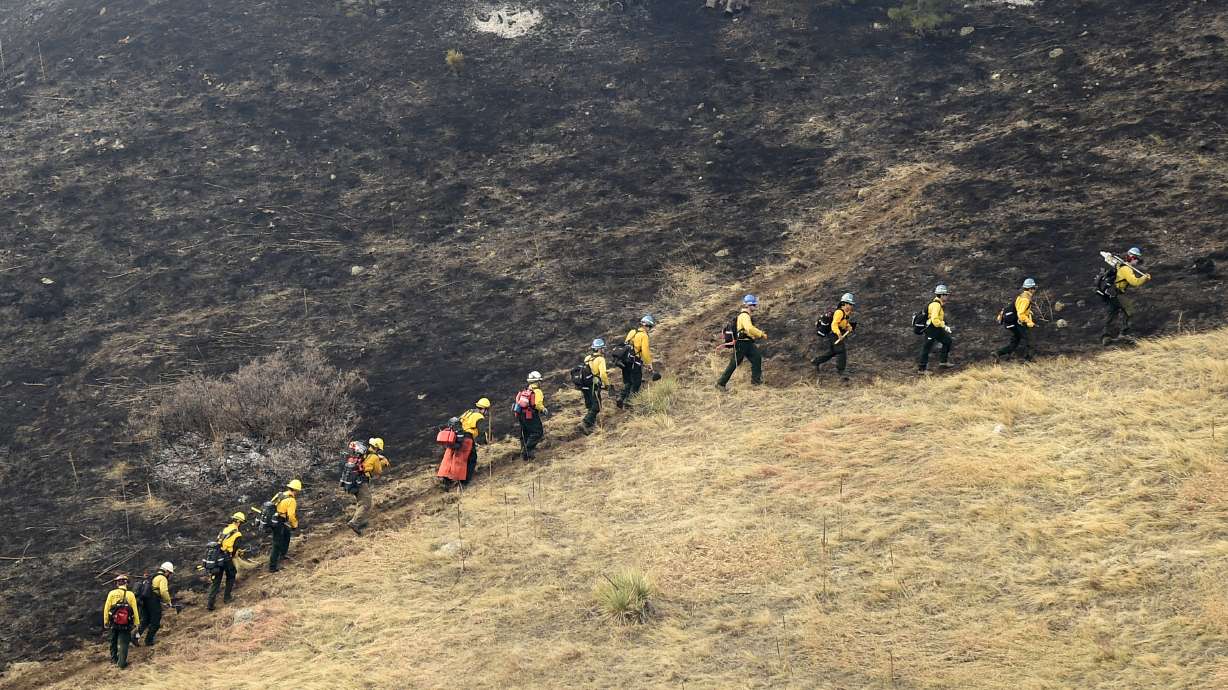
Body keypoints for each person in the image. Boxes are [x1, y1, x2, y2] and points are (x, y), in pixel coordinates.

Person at [1101, 247, 1152, 345]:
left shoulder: (1121, 265)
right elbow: (1135, 282)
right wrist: (1144, 278)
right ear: (1132, 258)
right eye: (1137, 259)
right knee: (1129, 309)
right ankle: (1123, 333)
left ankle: (1106, 336)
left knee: (1112, 313)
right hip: (1116, 294)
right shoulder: (1126, 269)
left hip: (1110, 293)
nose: (1137, 262)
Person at [716, 294, 767, 389]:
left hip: (748, 343)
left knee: (757, 358)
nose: (756, 306)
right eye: (754, 305)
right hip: (742, 343)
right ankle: (720, 383)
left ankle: (756, 381)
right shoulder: (744, 316)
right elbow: (749, 328)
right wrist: (761, 334)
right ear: (749, 305)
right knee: (734, 363)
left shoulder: (746, 316)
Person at [349, 437, 391, 535]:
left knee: (362, 502)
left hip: (352, 480)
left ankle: (360, 521)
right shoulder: (375, 457)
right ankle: (354, 522)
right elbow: (378, 471)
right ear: (378, 448)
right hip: (361, 481)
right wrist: (383, 463)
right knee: (366, 503)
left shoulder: (364, 452)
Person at [811, 293, 856, 382]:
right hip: (834, 335)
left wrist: (849, 327)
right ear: (844, 303)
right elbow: (834, 324)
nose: (851, 306)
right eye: (849, 304)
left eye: (851, 304)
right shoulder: (839, 312)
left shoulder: (845, 314)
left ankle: (816, 361)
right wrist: (839, 334)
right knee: (841, 351)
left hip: (834, 335)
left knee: (832, 352)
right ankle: (841, 373)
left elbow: (843, 324)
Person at [208, 512, 245, 611]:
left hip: (218, 557)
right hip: (227, 558)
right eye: (241, 522)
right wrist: (235, 555)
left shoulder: (225, 529)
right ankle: (227, 598)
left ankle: (210, 604)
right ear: (238, 521)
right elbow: (235, 548)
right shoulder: (237, 533)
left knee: (216, 581)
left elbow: (220, 542)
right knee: (231, 576)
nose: (240, 524)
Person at [102, 574, 140, 669]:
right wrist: (136, 623)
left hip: (114, 622)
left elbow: (106, 608)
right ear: (126, 583)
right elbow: (135, 610)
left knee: (113, 640)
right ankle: (121, 663)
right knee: (123, 643)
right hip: (126, 624)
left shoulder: (112, 593)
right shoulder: (130, 594)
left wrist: (106, 621)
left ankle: (114, 659)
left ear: (117, 583)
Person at [617, 315, 655, 409]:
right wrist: (648, 364)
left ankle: (621, 397)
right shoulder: (644, 336)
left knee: (628, 381)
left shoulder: (632, 332)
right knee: (636, 382)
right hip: (635, 362)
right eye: (649, 327)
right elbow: (645, 351)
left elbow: (626, 345)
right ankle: (629, 402)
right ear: (646, 325)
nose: (649, 329)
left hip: (625, 361)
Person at [996, 278, 1037, 362]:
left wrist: (1029, 312)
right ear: (1030, 289)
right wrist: (1029, 322)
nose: (1034, 290)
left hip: (1013, 322)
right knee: (1030, 340)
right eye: (1034, 288)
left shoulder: (1021, 296)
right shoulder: (1026, 299)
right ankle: (1028, 360)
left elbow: (1017, 308)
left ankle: (998, 353)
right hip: (1019, 323)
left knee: (1015, 341)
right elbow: (1020, 313)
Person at [133, 562, 174, 647]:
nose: (169, 575)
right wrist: (168, 601)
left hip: (144, 601)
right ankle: (149, 641)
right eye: (169, 573)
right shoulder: (162, 578)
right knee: (155, 623)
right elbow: (163, 591)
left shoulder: (152, 576)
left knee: (145, 621)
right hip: (153, 601)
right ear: (166, 571)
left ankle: (135, 637)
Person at [918, 285, 954, 374]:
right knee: (927, 347)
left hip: (936, 328)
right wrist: (944, 326)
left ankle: (943, 362)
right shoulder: (936, 305)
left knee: (947, 341)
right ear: (941, 295)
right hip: (931, 329)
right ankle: (922, 369)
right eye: (945, 294)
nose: (947, 296)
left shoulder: (938, 304)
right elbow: (934, 320)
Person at [268, 479, 301, 573]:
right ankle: (272, 567)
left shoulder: (280, 494)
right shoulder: (291, 500)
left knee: (287, 534)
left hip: (274, 519)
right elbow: (291, 516)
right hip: (278, 521)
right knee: (276, 543)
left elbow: (271, 504)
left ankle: (283, 554)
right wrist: (294, 525)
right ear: (296, 490)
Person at [515, 372, 548, 460]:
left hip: (521, 414)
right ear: (537, 382)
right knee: (537, 432)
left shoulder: (526, 390)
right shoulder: (538, 391)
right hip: (531, 415)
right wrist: (544, 409)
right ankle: (527, 450)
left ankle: (525, 453)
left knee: (525, 433)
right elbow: (537, 404)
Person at [457, 398, 491, 484]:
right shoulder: (479, 416)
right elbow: (482, 431)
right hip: (467, 438)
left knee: (461, 457)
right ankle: (465, 481)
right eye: (487, 410)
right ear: (484, 409)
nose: (487, 412)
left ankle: (454, 477)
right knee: (472, 458)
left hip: (459, 436)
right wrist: (485, 442)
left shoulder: (469, 412)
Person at [582, 339, 610, 433]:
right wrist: (607, 385)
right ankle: (586, 422)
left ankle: (590, 427)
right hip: (594, 384)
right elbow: (603, 375)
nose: (604, 350)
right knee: (597, 406)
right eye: (603, 348)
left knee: (590, 405)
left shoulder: (587, 358)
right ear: (599, 349)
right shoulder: (600, 359)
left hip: (585, 385)